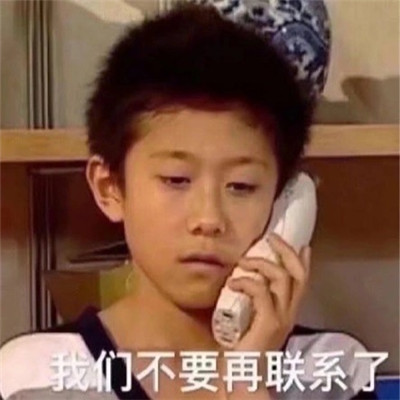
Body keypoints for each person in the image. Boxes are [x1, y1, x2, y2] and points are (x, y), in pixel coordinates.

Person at [0, 3, 378, 400]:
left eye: (241, 186)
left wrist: (248, 380)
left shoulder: (331, 372)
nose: (209, 219)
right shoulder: (32, 377)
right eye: (176, 180)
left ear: (284, 200)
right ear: (110, 187)